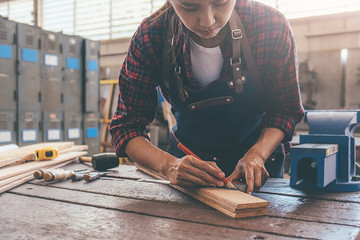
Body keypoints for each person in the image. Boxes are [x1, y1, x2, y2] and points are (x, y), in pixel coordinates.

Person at [110, 0, 304, 194]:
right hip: (187, 179)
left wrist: (257, 154)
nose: (207, 21)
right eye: (189, 7)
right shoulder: (150, 36)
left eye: (221, 3)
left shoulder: (270, 25)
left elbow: (285, 109)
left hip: (260, 172)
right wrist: (169, 166)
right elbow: (127, 128)